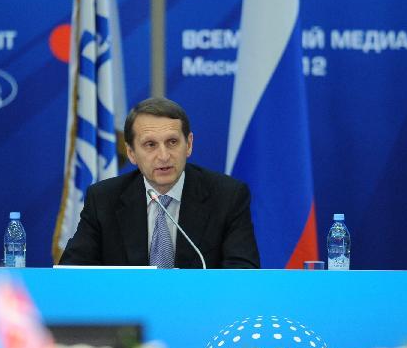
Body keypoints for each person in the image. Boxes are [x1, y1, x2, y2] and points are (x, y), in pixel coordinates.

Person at [60, 97, 260, 268]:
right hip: (129, 310)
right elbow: (73, 271)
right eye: (150, 145)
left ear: (188, 144)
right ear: (131, 153)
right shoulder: (104, 199)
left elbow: (242, 273)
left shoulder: (227, 197)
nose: (163, 156)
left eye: (172, 142)